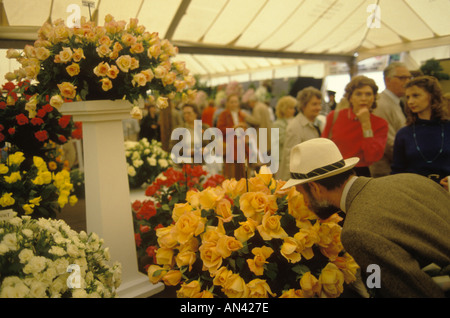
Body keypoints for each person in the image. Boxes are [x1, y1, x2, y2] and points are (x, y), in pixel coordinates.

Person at [281, 138, 450, 298]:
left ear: (314, 187)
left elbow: (413, 292)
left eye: (302, 194)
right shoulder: (411, 179)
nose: (304, 202)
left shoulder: (356, 231)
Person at [322, 76, 388, 177]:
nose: (364, 98)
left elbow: (372, 157)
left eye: (368, 94)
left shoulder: (380, 124)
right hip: (334, 171)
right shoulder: (334, 116)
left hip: (361, 174)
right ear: (350, 97)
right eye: (358, 94)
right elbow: (323, 146)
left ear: (374, 98)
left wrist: (366, 125)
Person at [391, 76, 450, 191]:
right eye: (407, 97)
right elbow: (397, 171)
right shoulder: (404, 133)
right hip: (415, 194)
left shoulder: (448, 127)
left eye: (416, 95)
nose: (410, 101)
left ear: (432, 96)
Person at [370, 62, 412, 177]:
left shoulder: (398, 102)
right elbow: (387, 142)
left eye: (409, 77)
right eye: (402, 78)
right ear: (387, 80)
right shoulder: (381, 104)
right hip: (385, 171)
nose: (407, 81)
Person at [278, 87, 322, 181]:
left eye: (319, 104)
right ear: (303, 106)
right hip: (300, 180)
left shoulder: (315, 123)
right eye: (314, 104)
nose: (318, 108)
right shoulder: (295, 127)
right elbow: (290, 159)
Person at [216, 93, 249, 180]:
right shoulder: (224, 114)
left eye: (236, 102)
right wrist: (234, 128)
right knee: (231, 173)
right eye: (232, 102)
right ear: (227, 103)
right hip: (230, 147)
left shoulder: (241, 114)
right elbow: (219, 129)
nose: (234, 104)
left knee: (242, 171)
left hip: (241, 146)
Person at [272, 95, 297, 179]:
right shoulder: (277, 124)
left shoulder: (295, 121)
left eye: (293, 108)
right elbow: (284, 140)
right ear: (283, 109)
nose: (293, 110)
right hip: (281, 160)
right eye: (290, 108)